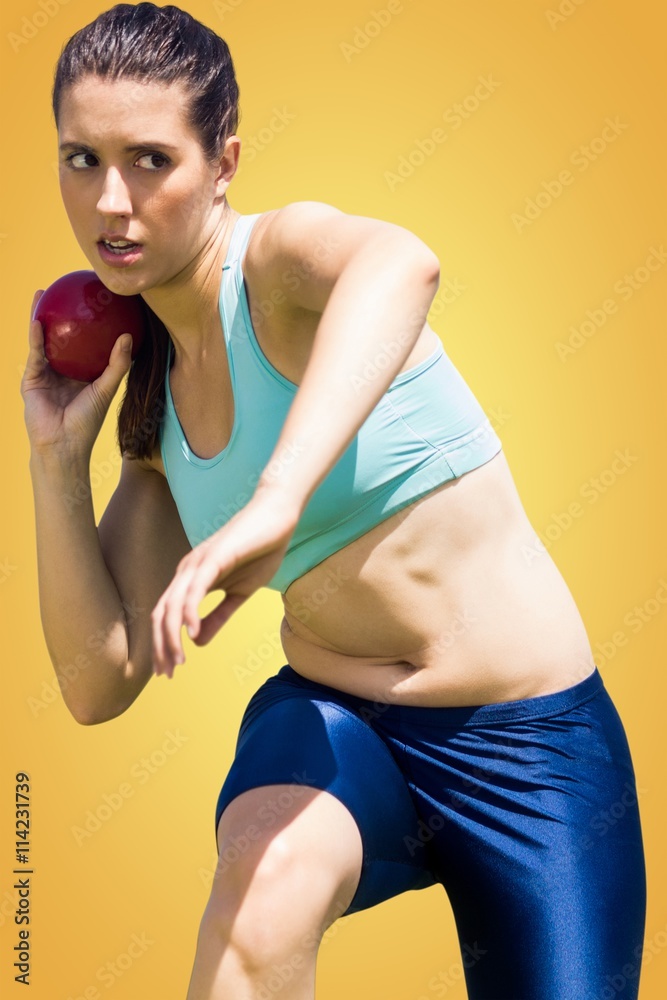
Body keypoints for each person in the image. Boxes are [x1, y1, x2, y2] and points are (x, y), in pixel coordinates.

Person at [21, 3, 646, 998]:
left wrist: (274, 502)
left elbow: (404, 262)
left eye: (148, 160)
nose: (111, 203)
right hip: (338, 724)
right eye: (81, 160)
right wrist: (55, 466)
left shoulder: (277, 268)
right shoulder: (151, 400)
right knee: (255, 905)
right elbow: (99, 683)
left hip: (530, 747)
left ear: (222, 163)